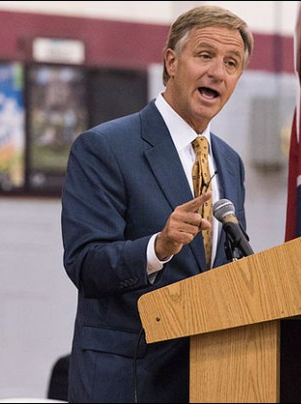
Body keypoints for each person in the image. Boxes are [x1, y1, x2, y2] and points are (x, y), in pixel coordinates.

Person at [61, 6, 253, 402]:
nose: (218, 72)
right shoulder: (104, 147)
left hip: (209, 378)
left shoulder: (229, 161)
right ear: (171, 61)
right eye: (205, 55)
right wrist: (157, 248)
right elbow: (85, 264)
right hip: (127, 381)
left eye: (231, 63)